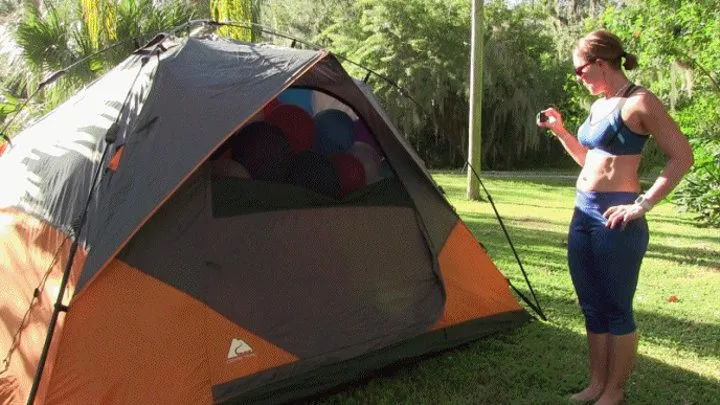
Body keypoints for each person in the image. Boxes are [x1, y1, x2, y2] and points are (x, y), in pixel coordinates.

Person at [537, 30, 693, 405]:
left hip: (617, 215)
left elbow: (682, 156)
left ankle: (615, 391)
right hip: (583, 212)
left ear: (600, 64)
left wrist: (642, 204)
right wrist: (559, 130)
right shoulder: (598, 106)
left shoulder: (640, 103)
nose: (578, 77)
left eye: (580, 70)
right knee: (591, 304)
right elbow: (588, 160)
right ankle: (596, 384)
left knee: (616, 306)